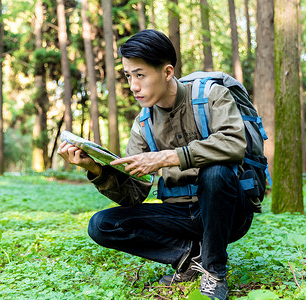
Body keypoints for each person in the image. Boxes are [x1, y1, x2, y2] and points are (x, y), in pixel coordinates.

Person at [57, 29, 254, 300]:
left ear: (167, 72)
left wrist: (166, 157)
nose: (133, 86)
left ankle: (213, 271)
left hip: (230, 213)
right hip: (181, 215)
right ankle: (189, 256)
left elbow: (234, 143)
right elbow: (133, 195)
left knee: (216, 172)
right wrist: (96, 169)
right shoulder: (143, 124)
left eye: (140, 75)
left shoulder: (211, 96)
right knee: (101, 224)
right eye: (128, 76)